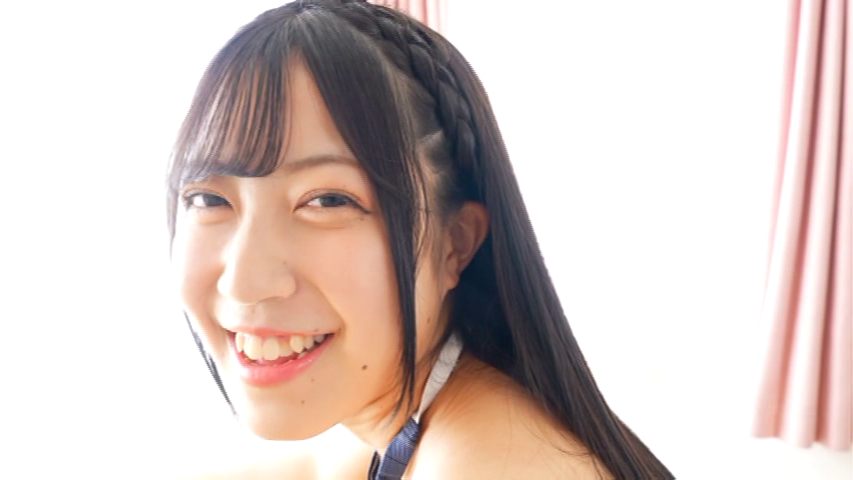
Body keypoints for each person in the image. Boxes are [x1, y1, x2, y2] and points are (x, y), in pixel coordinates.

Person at [167, 1, 674, 478]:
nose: (245, 282)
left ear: (456, 243)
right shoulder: (404, 424)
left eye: (327, 200)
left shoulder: (492, 463)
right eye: (208, 199)